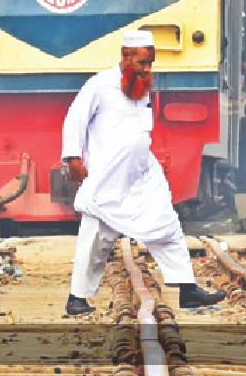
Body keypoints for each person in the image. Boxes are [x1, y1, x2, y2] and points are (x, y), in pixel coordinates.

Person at [62, 30, 225, 316]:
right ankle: (77, 297)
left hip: (142, 176)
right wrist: (73, 159)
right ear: (125, 57)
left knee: (167, 226)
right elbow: (73, 121)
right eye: (142, 63)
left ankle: (187, 289)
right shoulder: (99, 86)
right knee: (95, 241)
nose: (147, 69)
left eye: (150, 63)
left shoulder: (140, 88)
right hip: (107, 180)